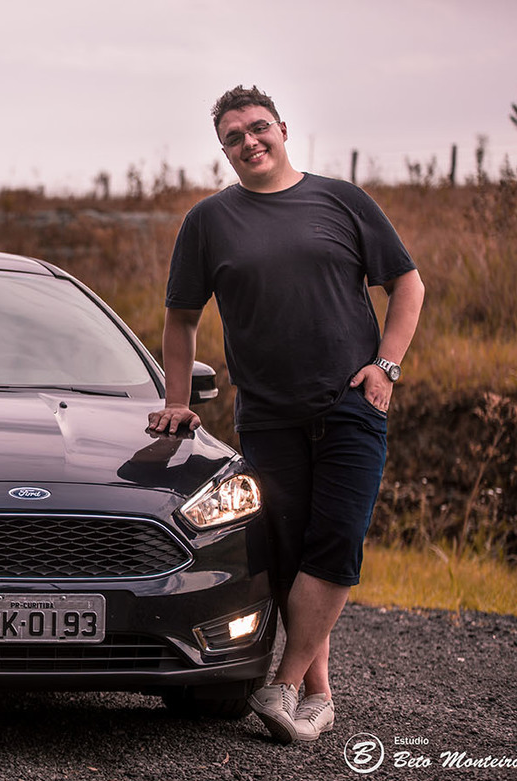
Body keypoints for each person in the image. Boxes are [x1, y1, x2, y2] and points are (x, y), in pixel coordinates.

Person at [146, 86, 424, 744]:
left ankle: (284, 680)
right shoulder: (209, 221)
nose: (250, 141)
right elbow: (181, 319)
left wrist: (385, 365)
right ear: (224, 149)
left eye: (258, 128)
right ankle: (316, 695)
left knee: (336, 541)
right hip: (269, 417)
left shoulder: (342, 200)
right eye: (235, 136)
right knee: (290, 550)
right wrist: (178, 401)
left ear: (283, 128)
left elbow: (406, 283)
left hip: (352, 406)